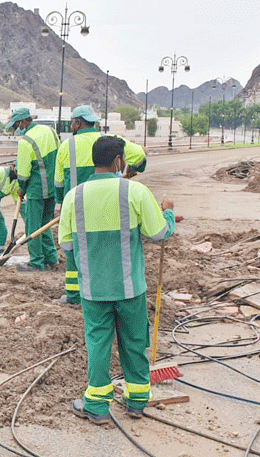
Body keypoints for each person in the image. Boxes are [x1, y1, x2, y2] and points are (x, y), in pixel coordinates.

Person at [58, 136, 175, 425]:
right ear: (119, 161)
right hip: (130, 288)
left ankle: (96, 406)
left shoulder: (75, 196)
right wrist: (168, 212)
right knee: (134, 342)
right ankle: (136, 401)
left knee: (98, 345)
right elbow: (159, 232)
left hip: (93, 289)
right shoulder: (134, 191)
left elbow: (66, 245)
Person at [54, 105, 147, 305]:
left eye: (72, 122)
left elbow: (59, 182)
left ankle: (73, 296)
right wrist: (132, 168)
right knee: (107, 250)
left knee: (75, 250)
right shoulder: (111, 142)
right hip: (109, 204)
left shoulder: (66, 146)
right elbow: (140, 157)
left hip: (76, 207)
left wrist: (62, 204)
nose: (72, 125)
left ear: (78, 123)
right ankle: (110, 291)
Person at [9, 108, 60, 272]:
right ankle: (52, 259)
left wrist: (21, 189)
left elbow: (23, 173)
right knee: (45, 226)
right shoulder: (50, 131)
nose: (17, 129)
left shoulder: (26, 141)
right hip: (53, 188)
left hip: (37, 190)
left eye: (17, 125)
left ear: (23, 121)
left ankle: (37, 262)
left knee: (33, 227)